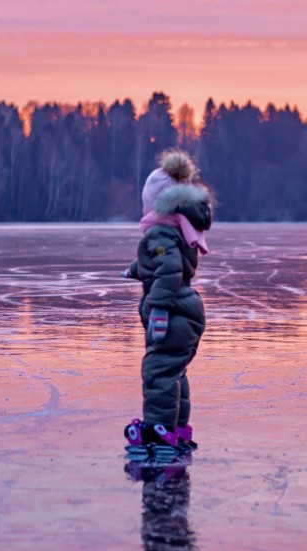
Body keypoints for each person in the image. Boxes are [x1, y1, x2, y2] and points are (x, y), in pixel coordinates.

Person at [122, 149, 212, 462]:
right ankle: (177, 427)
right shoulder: (176, 229)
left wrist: (158, 310)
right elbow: (169, 263)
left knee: (158, 371)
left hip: (172, 313)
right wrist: (137, 269)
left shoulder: (159, 232)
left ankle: (160, 427)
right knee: (175, 373)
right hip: (187, 311)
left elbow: (169, 269)